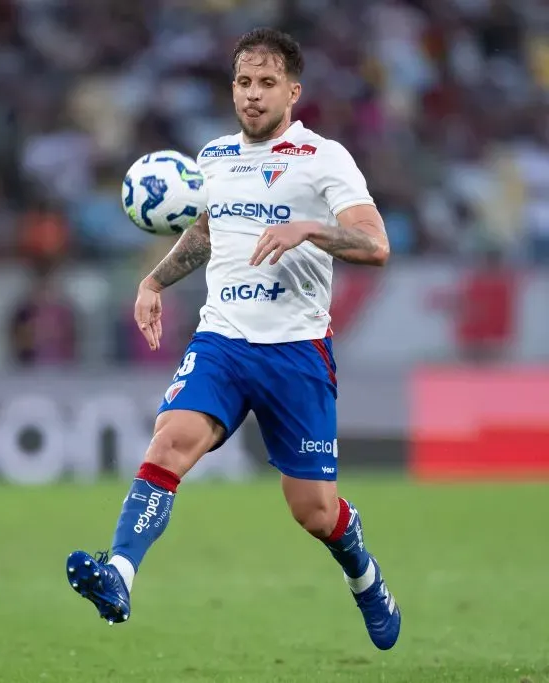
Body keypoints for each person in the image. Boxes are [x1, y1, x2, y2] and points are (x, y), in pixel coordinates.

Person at [65, 28, 401, 651]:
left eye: (267, 83)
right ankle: (120, 574)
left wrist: (309, 229)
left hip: (297, 350)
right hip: (222, 341)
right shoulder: (214, 158)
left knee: (314, 512)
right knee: (170, 442)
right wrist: (154, 280)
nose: (252, 94)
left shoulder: (323, 158)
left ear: (293, 92)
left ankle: (364, 575)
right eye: (244, 82)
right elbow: (205, 232)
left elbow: (376, 244)